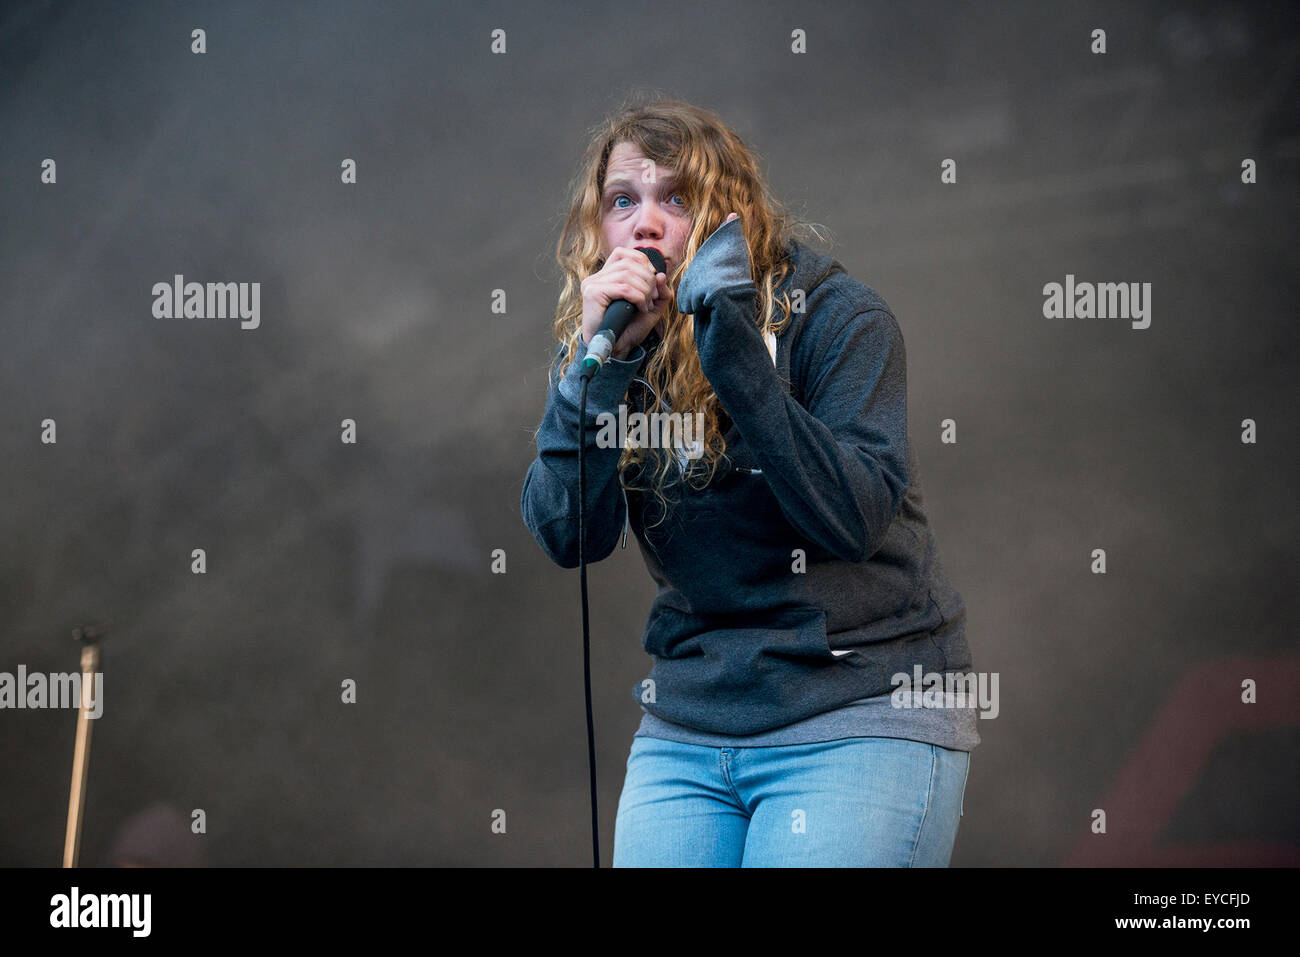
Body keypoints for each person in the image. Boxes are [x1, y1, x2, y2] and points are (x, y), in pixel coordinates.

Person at [521, 97, 979, 867]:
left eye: (678, 198)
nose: (645, 223)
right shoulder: (612, 348)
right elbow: (570, 534)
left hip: (859, 707)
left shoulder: (839, 318)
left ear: (733, 218)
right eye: (623, 201)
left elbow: (851, 518)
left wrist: (730, 348)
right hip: (691, 722)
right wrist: (592, 379)